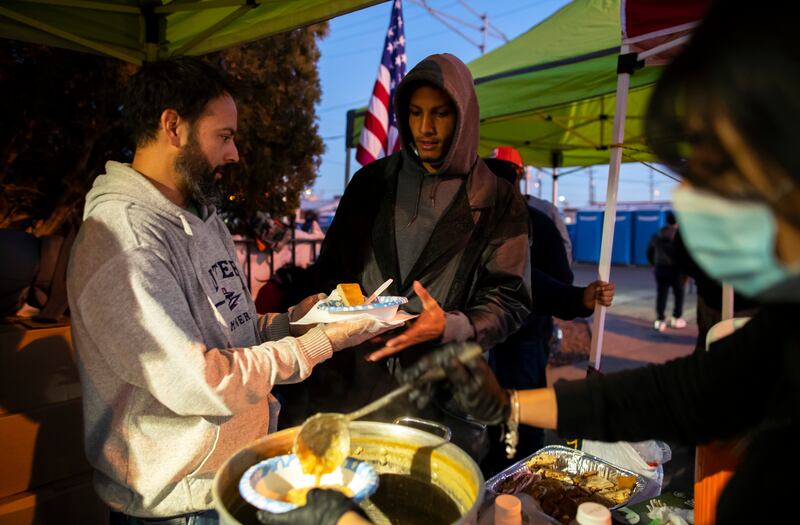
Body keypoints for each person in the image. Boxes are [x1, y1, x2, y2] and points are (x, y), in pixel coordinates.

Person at [401, 1, 800, 523]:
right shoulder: (781, 335)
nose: (695, 198)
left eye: (723, 165)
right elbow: (667, 395)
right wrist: (510, 406)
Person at [66, 57, 393, 524]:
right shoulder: (122, 243)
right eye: (224, 136)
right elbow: (202, 378)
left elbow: (232, 333)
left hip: (236, 481)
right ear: (172, 126)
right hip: (179, 508)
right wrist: (319, 344)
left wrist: (298, 320)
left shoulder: (203, 217)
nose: (235, 153)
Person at [285, 54, 532, 431]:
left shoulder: (497, 199)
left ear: (463, 116)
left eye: (440, 114)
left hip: (437, 395)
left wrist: (451, 325)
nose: (425, 128)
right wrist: (342, 308)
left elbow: (510, 299)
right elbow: (331, 270)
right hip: (348, 384)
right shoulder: (371, 182)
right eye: (415, 113)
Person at [482, 151, 615, 474]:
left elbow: (551, 281)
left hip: (524, 340)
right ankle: (496, 474)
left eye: (505, 176)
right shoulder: (479, 221)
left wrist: (576, 299)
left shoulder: (537, 220)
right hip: (485, 339)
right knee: (490, 414)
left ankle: (522, 476)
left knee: (525, 416)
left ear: (518, 177)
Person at [646, 211, 687, 332]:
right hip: (677, 270)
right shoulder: (681, 235)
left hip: (660, 269)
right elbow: (685, 255)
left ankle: (660, 320)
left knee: (661, 294)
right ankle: (676, 318)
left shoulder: (657, 235)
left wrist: (654, 264)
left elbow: (649, 252)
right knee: (679, 294)